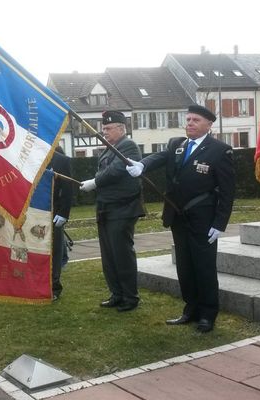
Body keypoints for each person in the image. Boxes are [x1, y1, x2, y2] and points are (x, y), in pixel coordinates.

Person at [126, 104, 235, 333]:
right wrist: (142, 164)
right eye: (188, 120)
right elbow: (160, 157)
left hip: (203, 219)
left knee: (204, 267)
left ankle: (207, 314)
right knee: (184, 266)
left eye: (195, 120)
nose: (190, 124)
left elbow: (227, 192)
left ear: (208, 125)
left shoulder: (220, 150)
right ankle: (190, 309)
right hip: (178, 215)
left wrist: (219, 223)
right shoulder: (177, 145)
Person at [80, 110, 145, 312]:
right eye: (104, 128)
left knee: (122, 254)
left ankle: (130, 297)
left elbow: (116, 170)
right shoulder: (110, 148)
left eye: (108, 128)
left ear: (121, 128)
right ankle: (116, 294)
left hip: (123, 208)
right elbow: (105, 171)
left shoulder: (128, 146)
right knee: (109, 255)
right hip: (106, 209)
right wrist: (96, 181)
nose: (104, 131)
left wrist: (95, 182)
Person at [48, 147, 73, 301]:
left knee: (55, 251)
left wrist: (63, 213)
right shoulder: (27, 156)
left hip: (53, 211)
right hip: (31, 212)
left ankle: (54, 287)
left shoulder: (61, 160)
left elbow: (67, 189)